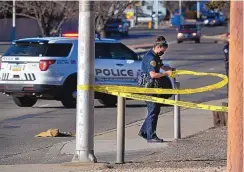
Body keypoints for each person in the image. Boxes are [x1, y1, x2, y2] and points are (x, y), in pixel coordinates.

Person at [137, 36, 172, 143]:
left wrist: (171, 69)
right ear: (158, 47)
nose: (163, 53)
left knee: (154, 110)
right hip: (150, 88)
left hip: (153, 87)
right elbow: (153, 75)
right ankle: (151, 136)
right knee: (153, 111)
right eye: (162, 51)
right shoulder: (151, 58)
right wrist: (166, 74)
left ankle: (144, 131)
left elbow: (161, 65)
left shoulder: (154, 56)